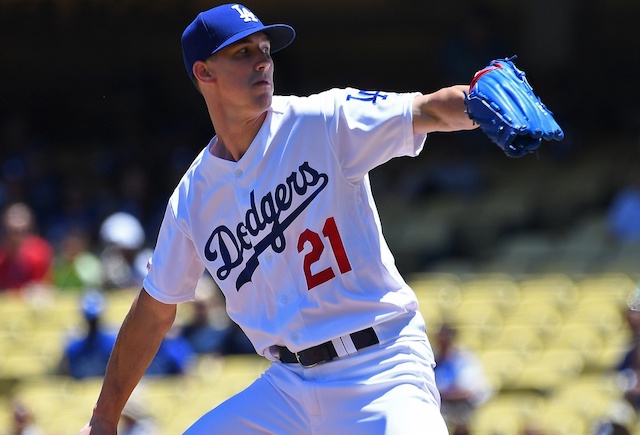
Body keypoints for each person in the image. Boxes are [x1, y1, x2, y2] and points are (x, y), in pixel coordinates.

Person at [80, 4, 482, 434]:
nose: (262, 62)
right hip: (289, 387)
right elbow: (154, 310)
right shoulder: (193, 199)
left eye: (266, 50)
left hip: (381, 367)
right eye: (243, 52)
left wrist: (476, 103)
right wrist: (104, 418)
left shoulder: (322, 120)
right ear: (204, 72)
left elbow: (428, 111)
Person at [433, 323, 493, 435]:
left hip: (463, 406)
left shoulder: (464, 359)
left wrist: (445, 394)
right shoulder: (432, 360)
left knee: (461, 421)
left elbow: (469, 391)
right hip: (440, 405)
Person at [59, 289, 118, 379]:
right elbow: (65, 374)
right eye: (90, 320)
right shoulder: (71, 343)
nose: (92, 323)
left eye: (95, 320)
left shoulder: (113, 342)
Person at [0, 202, 53, 292]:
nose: (17, 237)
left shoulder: (40, 250)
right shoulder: (2, 256)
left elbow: (45, 285)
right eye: (13, 231)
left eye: (22, 231)